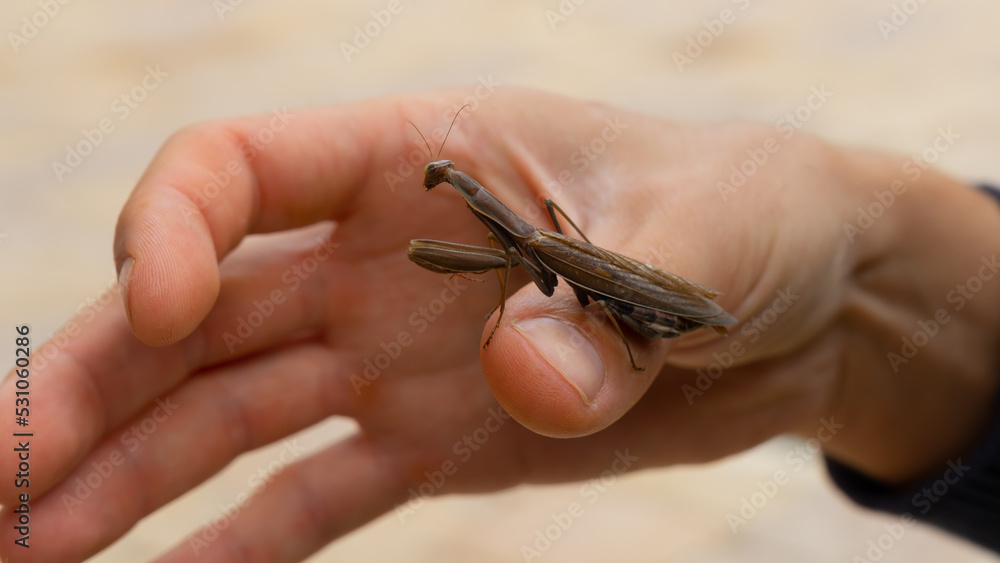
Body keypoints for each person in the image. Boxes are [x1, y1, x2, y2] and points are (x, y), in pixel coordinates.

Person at [2, 88, 998, 561]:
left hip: (658, 298)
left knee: (557, 309)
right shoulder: (518, 246)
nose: (439, 187)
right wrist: (872, 337)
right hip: (820, 355)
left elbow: (579, 269)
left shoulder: (545, 248)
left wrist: (866, 301)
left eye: (445, 179)